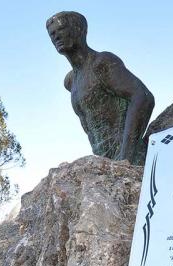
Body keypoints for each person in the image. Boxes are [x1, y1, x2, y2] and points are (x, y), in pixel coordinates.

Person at [46, 11, 154, 164]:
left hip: (129, 160)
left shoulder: (102, 63)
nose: (56, 36)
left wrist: (125, 158)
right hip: (105, 161)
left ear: (79, 30)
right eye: (52, 34)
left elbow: (142, 97)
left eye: (61, 29)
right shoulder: (70, 81)